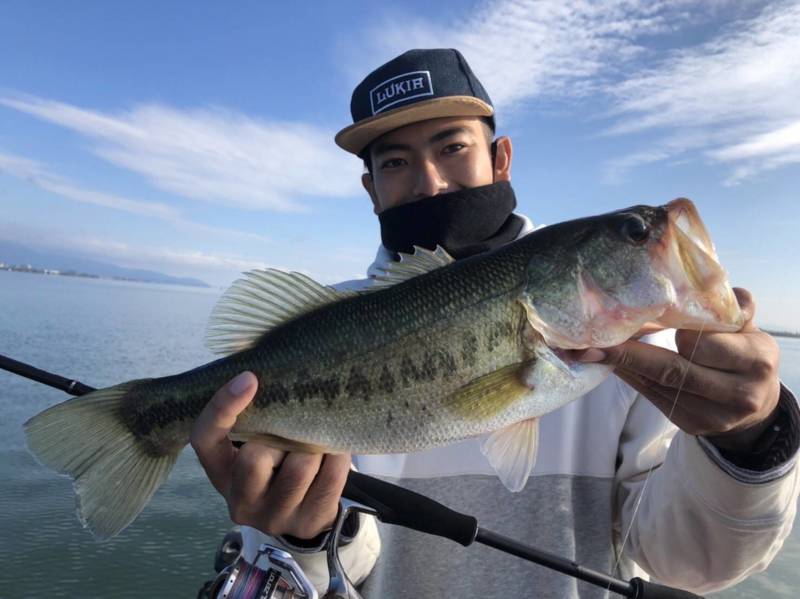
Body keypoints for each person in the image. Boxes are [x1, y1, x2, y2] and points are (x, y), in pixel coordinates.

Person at [190, 49, 799, 597]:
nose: (430, 181)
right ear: (370, 189)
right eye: (397, 161)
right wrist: (304, 536)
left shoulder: (652, 357)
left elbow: (693, 564)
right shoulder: (325, 325)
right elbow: (316, 574)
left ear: (500, 157)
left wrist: (749, 446)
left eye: (453, 147)